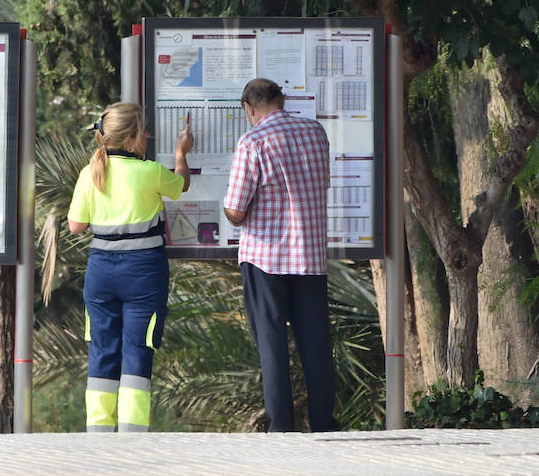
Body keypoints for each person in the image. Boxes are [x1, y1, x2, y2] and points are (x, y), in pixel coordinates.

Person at [67, 103, 193, 432]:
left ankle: (98, 431)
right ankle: (132, 434)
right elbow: (181, 185)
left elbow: (76, 224)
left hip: (101, 271)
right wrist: (181, 154)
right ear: (134, 136)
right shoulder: (149, 171)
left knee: (102, 348)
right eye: (145, 130)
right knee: (138, 348)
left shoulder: (89, 173)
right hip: (143, 273)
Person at [223, 78, 339, 432]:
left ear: (250, 108)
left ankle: (282, 426)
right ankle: (323, 422)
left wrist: (230, 211)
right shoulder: (315, 132)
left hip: (265, 259)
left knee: (272, 343)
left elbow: (237, 210)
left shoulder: (253, 141)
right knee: (316, 341)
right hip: (309, 256)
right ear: (281, 100)